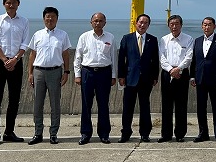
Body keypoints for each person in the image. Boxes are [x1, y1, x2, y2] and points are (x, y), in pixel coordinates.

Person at [0, 0, 30, 146]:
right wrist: (5, 60)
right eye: (8, 2)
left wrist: (15, 59)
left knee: (14, 99)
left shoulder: (24, 21)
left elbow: (25, 43)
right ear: (4, 4)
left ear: (18, 4)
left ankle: (9, 132)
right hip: (0, 62)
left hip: (16, 63)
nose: (11, 5)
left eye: (14, 3)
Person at [26, 6, 71, 145]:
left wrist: (66, 72)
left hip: (55, 72)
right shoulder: (37, 35)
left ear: (57, 19)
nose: (50, 19)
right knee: (37, 104)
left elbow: (65, 55)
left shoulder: (63, 35)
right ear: (43, 18)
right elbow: (32, 55)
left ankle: (53, 133)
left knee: (55, 104)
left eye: (53, 17)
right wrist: (30, 73)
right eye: (47, 16)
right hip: (39, 72)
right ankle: (38, 133)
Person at [74, 12, 117, 145]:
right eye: (95, 21)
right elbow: (78, 57)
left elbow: (114, 58)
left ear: (105, 23)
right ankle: (85, 133)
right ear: (91, 22)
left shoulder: (110, 37)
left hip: (104, 73)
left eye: (100, 21)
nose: (98, 23)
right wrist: (77, 75)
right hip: (88, 72)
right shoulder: (84, 37)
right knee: (86, 104)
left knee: (103, 104)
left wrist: (113, 75)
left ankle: (104, 134)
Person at [117, 13, 159, 143]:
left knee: (145, 107)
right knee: (127, 107)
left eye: (145, 23)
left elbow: (155, 60)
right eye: (140, 22)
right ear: (136, 23)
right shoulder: (127, 38)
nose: (142, 25)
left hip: (146, 79)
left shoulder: (153, 40)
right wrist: (121, 76)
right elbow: (121, 59)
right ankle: (125, 133)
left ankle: (145, 133)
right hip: (130, 78)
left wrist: (155, 76)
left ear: (148, 25)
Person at [190, 17, 216, 145]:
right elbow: (194, 60)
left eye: (209, 25)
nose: (207, 27)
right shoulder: (197, 41)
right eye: (205, 25)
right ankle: (203, 133)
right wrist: (192, 76)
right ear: (202, 26)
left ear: (214, 26)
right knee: (201, 108)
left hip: (215, 80)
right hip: (200, 79)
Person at [158, 15, 193, 143]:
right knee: (166, 105)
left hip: (182, 73)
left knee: (181, 105)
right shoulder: (164, 39)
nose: (174, 26)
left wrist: (178, 69)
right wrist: (170, 70)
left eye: (177, 24)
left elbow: (189, 57)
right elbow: (161, 57)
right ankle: (166, 134)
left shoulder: (188, 39)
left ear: (181, 25)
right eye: (172, 24)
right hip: (167, 73)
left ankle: (180, 134)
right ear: (168, 25)